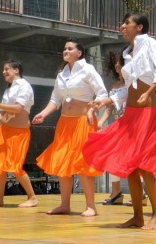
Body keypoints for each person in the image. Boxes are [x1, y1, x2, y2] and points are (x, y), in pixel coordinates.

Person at [82, 13, 156, 230]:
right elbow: (129, 88)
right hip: (131, 114)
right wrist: (106, 101)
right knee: (130, 167)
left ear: (139, 27)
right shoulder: (128, 53)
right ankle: (137, 216)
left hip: (149, 113)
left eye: (127, 23)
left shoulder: (149, 43)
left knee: (146, 166)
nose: (122, 26)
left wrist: (149, 91)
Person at [32, 37, 108, 217]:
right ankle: (64, 205)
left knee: (82, 164)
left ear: (79, 52)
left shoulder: (88, 70)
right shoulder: (62, 74)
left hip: (83, 122)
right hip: (64, 123)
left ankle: (91, 206)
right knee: (63, 163)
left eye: (70, 49)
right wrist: (43, 113)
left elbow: (102, 93)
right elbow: (55, 100)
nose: (65, 51)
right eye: (64, 49)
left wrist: (92, 110)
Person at [0, 60, 38, 208]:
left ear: (16, 70)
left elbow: (18, 108)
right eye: (3, 70)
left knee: (15, 166)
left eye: (6, 69)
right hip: (4, 132)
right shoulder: (8, 89)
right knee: (0, 166)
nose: (3, 72)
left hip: (19, 133)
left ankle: (32, 197)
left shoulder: (24, 86)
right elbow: (3, 115)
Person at [96, 51, 128, 205]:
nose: (117, 65)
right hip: (116, 125)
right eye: (115, 62)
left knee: (132, 159)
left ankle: (141, 194)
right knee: (112, 158)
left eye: (120, 62)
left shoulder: (132, 84)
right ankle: (116, 192)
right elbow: (109, 108)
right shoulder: (114, 85)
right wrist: (101, 122)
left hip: (130, 127)